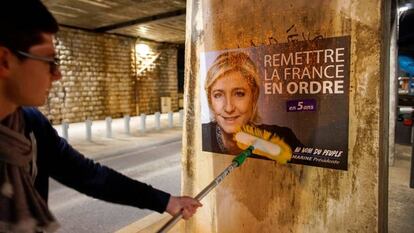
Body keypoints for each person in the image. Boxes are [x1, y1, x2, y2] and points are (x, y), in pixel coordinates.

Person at [0, 1, 201, 232]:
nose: (57, 75)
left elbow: (89, 175)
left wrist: (166, 201)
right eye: (49, 61)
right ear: (5, 60)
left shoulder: (31, 124)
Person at [202, 51, 303, 156]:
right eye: (218, 95)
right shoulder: (199, 136)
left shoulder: (283, 139)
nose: (228, 108)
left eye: (239, 94)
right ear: (210, 100)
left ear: (254, 96)